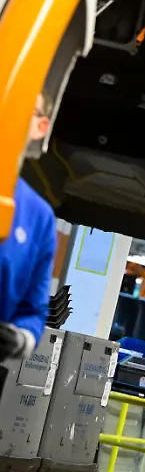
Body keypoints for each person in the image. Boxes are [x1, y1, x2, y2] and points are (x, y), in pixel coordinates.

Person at [0, 92, 56, 360]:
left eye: (24, 108)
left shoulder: (39, 217)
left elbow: (33, 311)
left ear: (40, 127)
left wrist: (20, 339)